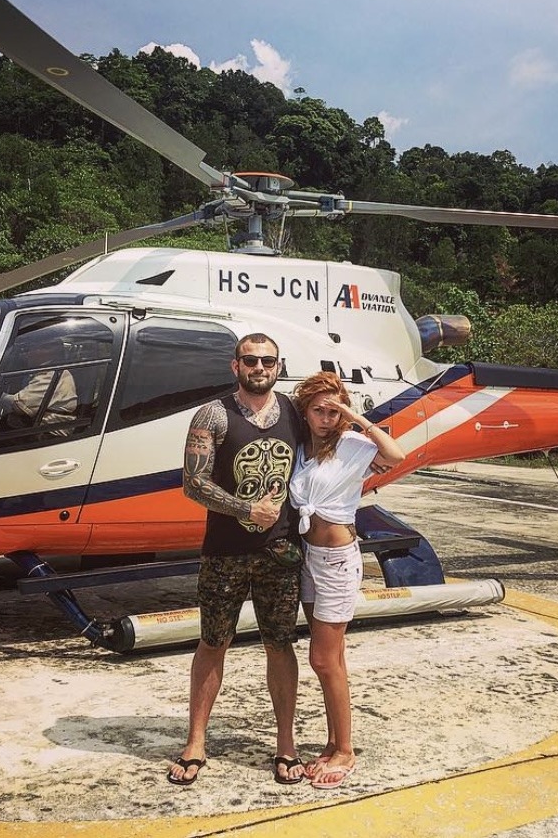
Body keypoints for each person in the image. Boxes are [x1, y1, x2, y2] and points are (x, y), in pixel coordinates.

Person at [168, 332, 305, 787]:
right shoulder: (214, 415)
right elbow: (193, 482)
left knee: (280, 644)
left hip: (280, 552)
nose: (259, 367)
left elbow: (330, 444)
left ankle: (286, 744)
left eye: (268, 360)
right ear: (235, 366)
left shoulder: (294, 412)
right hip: (226, 552)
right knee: (213, 642)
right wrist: (247, 509)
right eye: (251, 360)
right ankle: (195, 741)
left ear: (278, 365)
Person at [289, 371, 405, 790]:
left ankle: (346, 750)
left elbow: (395, 456)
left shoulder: (354, 446)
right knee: (329, 660)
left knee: (323, 659)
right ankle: (333, 741)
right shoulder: (299, 449)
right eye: (319, 410)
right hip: (307, 558)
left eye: (332, 411)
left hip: (338, 560)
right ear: (304, 410)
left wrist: (355, 417)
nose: (326, 418)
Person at [0, 341, 77, 434]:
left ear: (48, 352)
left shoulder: (52, 375)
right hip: (35, 428)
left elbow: (19, 405)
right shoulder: (43, 372)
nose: (27, 355)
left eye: (30, 349)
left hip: (47, 434)